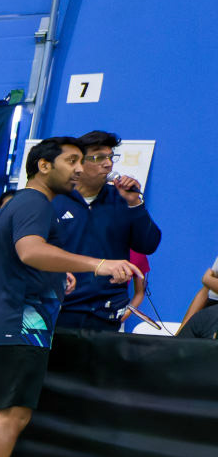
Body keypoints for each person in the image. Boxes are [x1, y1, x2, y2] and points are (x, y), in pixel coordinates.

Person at [0, 138, 136, 457]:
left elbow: (14, 261)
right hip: (22, 324)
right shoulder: (36, 204)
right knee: (13, 413)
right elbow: (30, 251)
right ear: (43, 165)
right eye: (71, 161)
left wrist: (56, 276)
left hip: (0, 321)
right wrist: (99, 265)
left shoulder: (17, 204)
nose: (79, 169)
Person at [51, 130, 162, 331]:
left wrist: (135, 204)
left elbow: (148, 245)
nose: (108, 164)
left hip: (106, 311)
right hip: (61, 308)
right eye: (98, 158)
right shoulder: (56, 199)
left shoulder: (121, 199)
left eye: (111, 157)